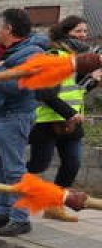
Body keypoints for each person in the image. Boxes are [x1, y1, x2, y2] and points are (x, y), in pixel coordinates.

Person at [0, 8, 45, 237]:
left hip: (12, 117)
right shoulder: (2, 52)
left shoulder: (31, 53)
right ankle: (2, 212)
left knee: (14, 170)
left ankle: (20, 218)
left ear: (9, 29)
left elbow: (19, 85)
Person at [28, 15, 91, 223]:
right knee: (38, 165)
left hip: (72, 124)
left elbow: (75, 90)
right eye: (78, 31)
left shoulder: (79, 60)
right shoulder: (54, 56)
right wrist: (70, 113)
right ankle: (2, 189)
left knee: (72, 164)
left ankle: (54, 206)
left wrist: (94, 81)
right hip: (48, 121)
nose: (83, 35)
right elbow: (44, 93)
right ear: (66, 33)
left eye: (84, 31)